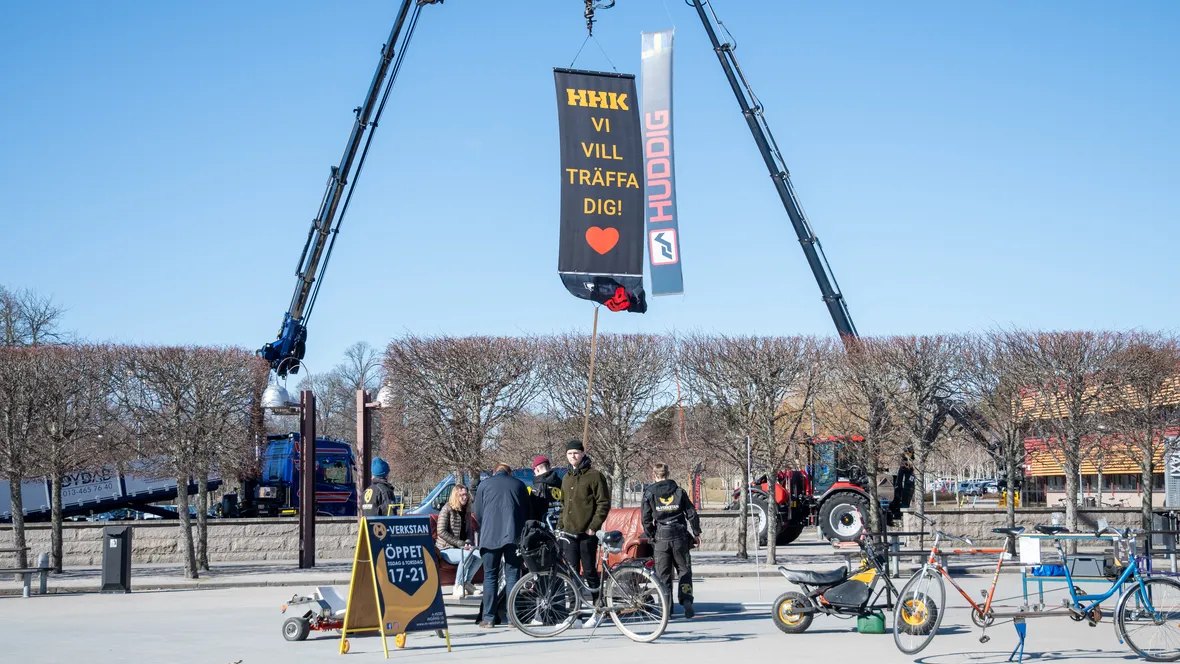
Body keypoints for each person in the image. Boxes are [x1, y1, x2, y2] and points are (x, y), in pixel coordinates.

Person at [556, 439, 611, 627]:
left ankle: (598, 610)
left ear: (582, 453)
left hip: (587, 533)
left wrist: (594, 526)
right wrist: (560, 525)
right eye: (570, 453)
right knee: (571, 575)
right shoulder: (566, 478)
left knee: (589, 572)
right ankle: (574, 615)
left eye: (576, 453)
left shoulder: (595, 476)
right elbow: (564, 505)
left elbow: (603, 503)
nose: (573, 456)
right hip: (569, 533)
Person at [472, 462, 530, 628]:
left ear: (494, 471)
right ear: (509, 473)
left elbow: (478, 512)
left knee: (490, 577)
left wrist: (487, 525)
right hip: (513, 537)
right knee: (512, 575)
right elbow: (526, 511)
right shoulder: (519, 485)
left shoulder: (484, 485)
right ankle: (513, 618)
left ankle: (489, 618)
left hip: (490, 537)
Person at [641, 462, 701, 619]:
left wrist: (652, 535)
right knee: (684, 570)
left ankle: (667, 609)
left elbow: (645, 519)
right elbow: (691, 513)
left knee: (664, 575)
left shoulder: (649, 493)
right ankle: (686, 599)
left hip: (661, 535)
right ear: (668, 474)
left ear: (654, 475)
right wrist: (696, 532)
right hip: (679, 534)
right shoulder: (679, 491)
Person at [436, 484, 483, 599]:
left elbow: (469, 532)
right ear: (456, 496)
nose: (464, 497)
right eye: (461, 495)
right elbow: (441, 531)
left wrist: (468, 542)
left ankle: (467, 583)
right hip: (446, 548)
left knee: (480, 554)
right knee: (466, 555)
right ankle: (458, 585)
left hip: (461, 547)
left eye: (466, 494)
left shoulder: (466, 510)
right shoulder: (447, 509)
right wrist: (458, 543)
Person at [531, 455, 563, 523]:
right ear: (549, 467)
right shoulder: (561, 482)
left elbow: (533, 510)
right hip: (560, 523)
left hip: (545, 525)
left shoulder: (538, 486)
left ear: (537, 469)